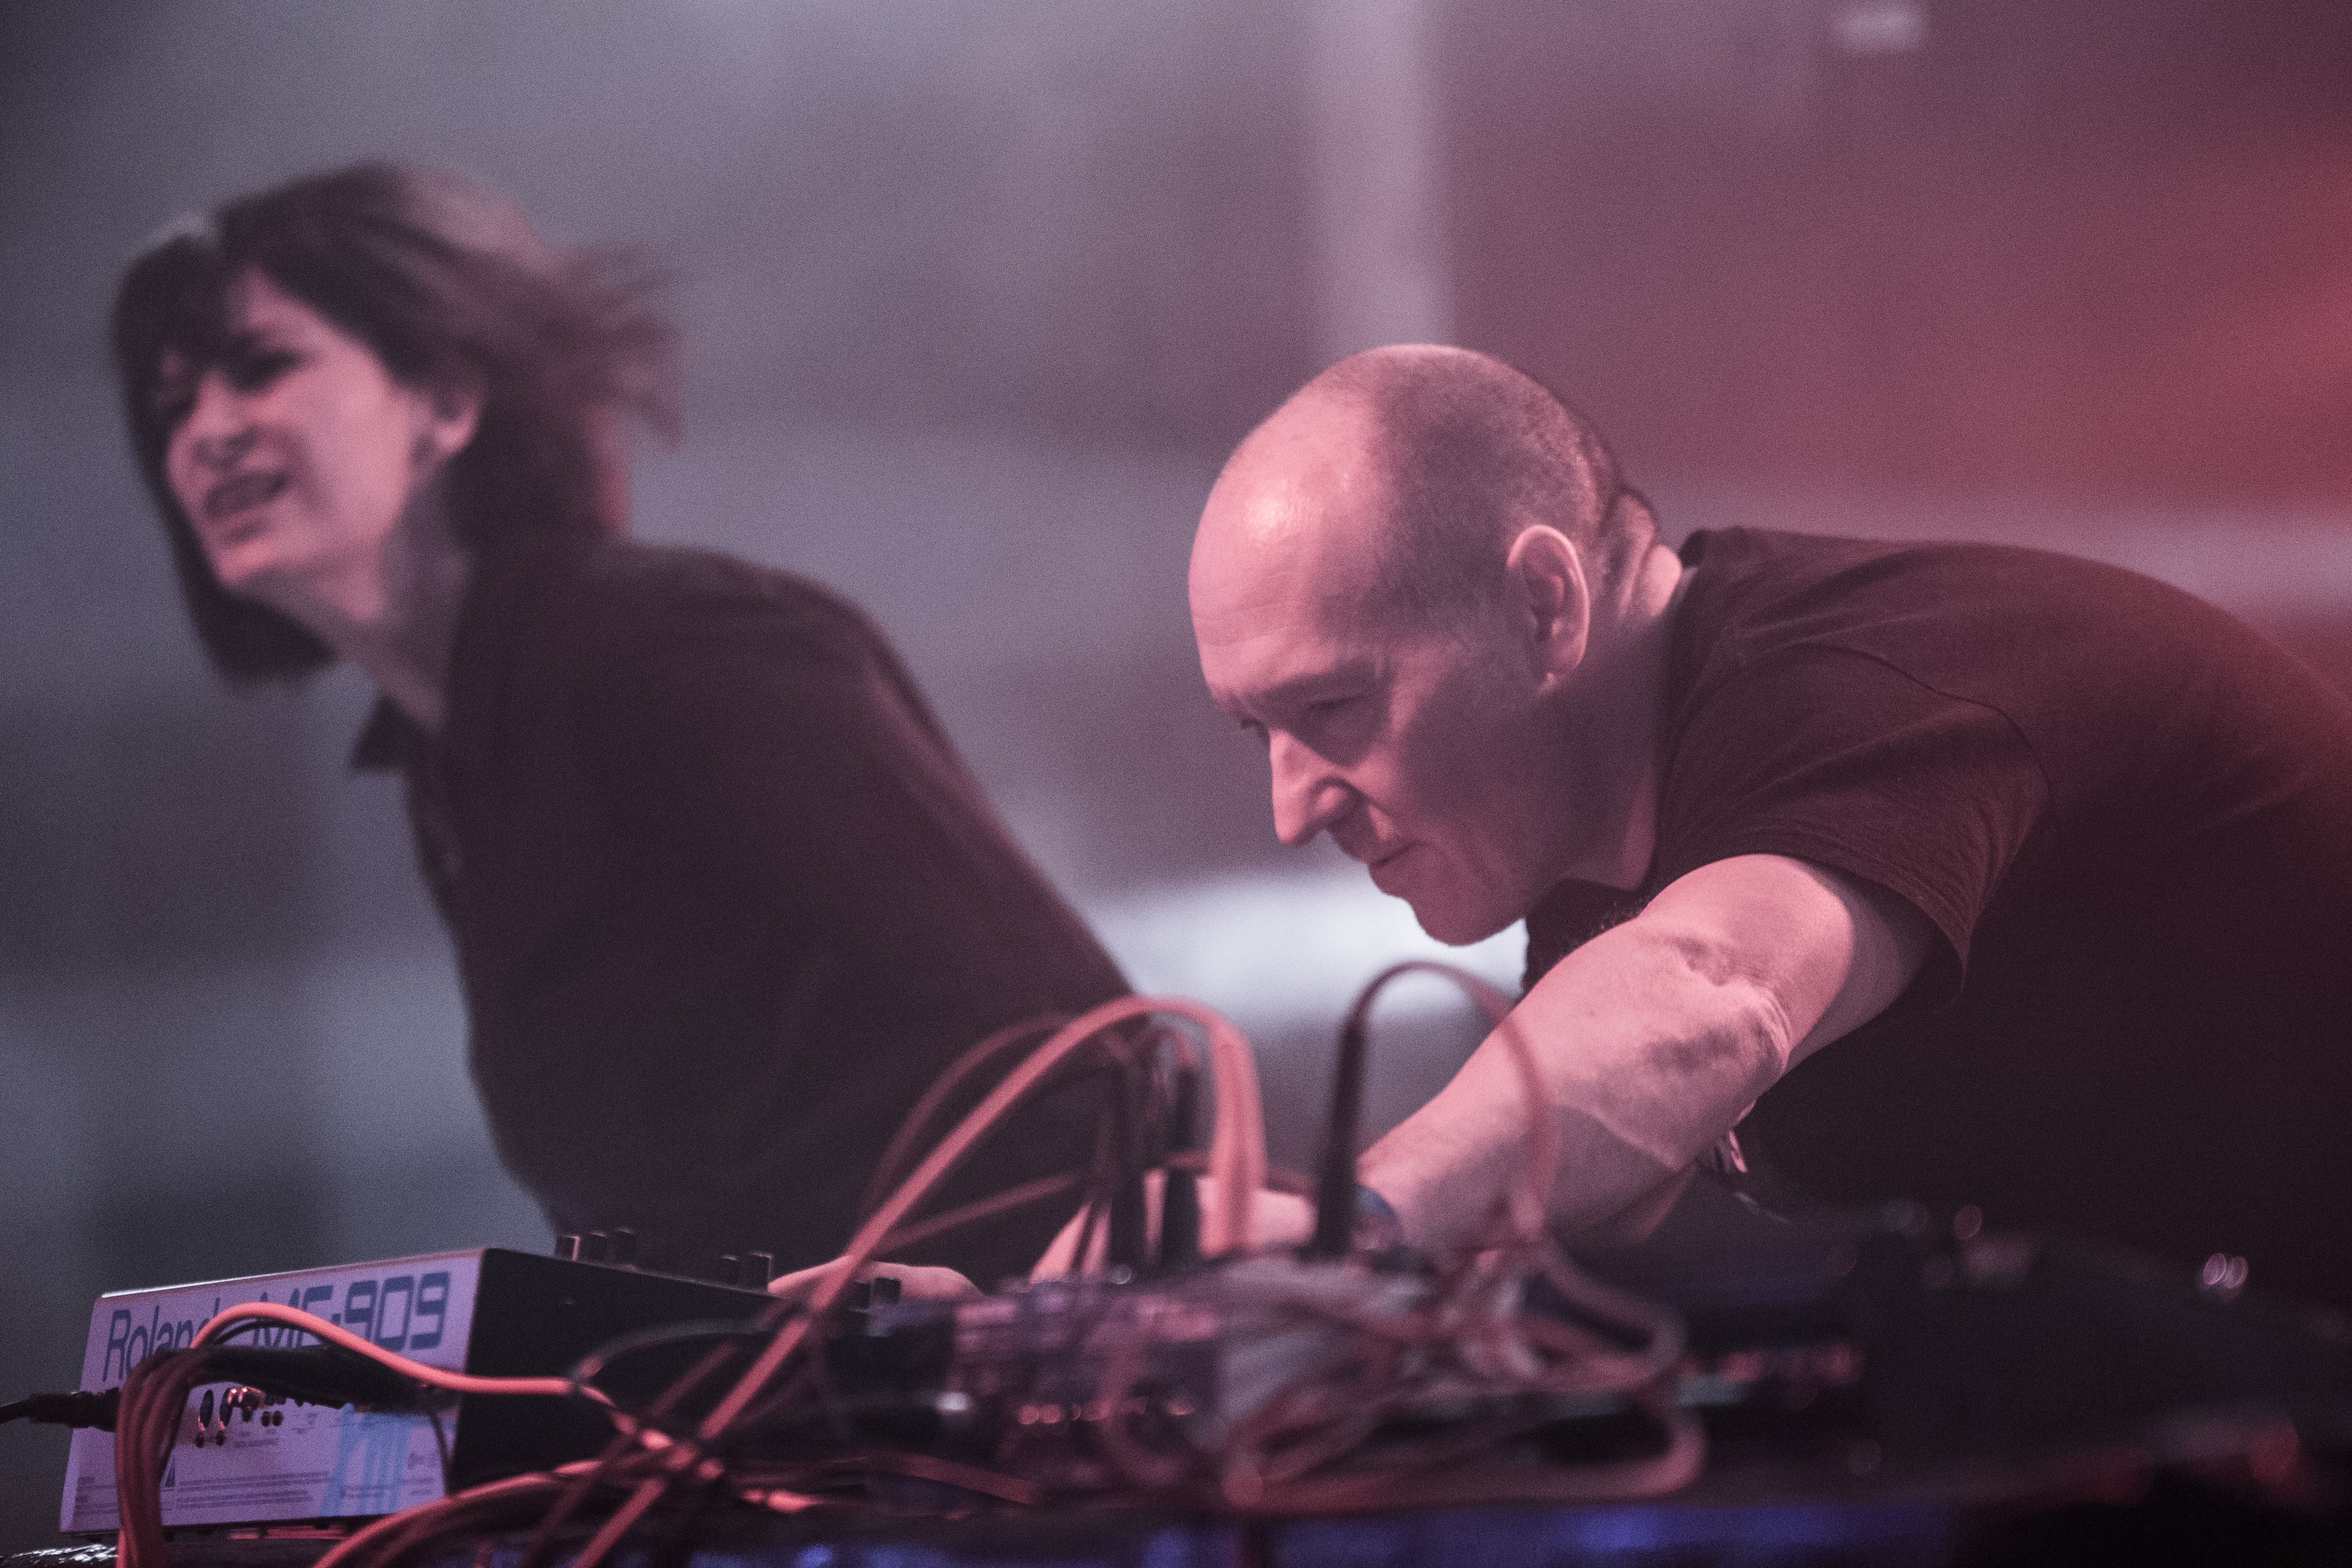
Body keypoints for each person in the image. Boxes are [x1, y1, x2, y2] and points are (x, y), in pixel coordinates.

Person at [111, 161, 1127, 1285]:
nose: (206, 432)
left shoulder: (668, 648)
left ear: (446, 400)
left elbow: (1075, 1052)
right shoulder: (448, 766)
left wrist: (1020, 1318)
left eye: (261, 368)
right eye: (173, 405)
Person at [1187, 343, 2352, 1307]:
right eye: (1256, 732)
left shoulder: (1845, 693)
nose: (1292, 810)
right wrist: (1185, 1273)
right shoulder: (1591, 860)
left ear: (1542, 605)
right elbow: (1549, 1217)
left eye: (1331, 706)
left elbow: (1713, 993)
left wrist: (1354, 1228)